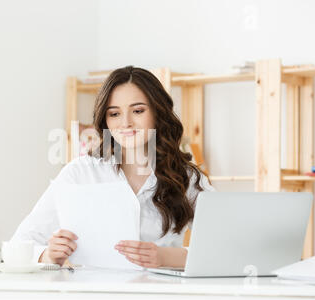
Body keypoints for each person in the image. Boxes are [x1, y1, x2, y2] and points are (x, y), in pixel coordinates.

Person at [11, 66, 215, 269]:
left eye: (137, 111)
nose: (125, 123)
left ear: (157, 113)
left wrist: (167, 257)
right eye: (114, 113)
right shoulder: (79, 173)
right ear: (105, 120)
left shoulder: (186, 177)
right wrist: (48, 255)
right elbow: (19, 245)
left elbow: (225, 249)